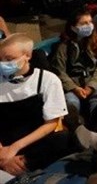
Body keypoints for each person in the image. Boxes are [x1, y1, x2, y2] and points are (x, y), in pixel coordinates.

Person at [0, 33, 70, 183]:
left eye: (9, 59)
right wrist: (2, 154)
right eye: (1, 59)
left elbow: (51, 123)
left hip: (32, 143)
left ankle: (21, 166)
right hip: (3, 142)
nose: (3, 64)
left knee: (62, 137)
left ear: (27, 56)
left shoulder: (48, 80)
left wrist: (14, 148)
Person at [51, 7, 97, 131]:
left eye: (90, 22)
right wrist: (74, 88)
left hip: (94, 80)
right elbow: (59, 70)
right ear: (73, 27)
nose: (89, 26)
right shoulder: (63, 45)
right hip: (72, 83)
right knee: (71, 103)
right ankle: (77, 130)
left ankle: (96, 126)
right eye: (83, 23)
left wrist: (91, 86)